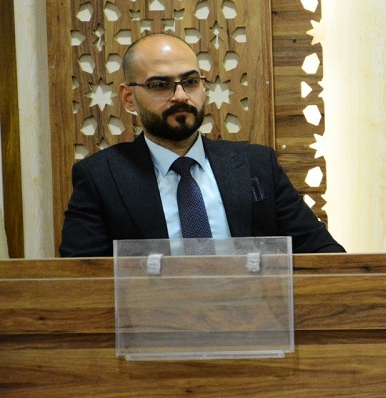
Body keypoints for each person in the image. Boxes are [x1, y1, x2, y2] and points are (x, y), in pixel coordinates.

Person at [60, 33, 345, 256]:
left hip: (248, 313)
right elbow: (81, 279)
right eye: (160, 85)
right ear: (128, 98)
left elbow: (323, 253)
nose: (180, 96)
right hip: (155, 315)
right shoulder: (100, 177)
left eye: (190, 81)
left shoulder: (256, 165)